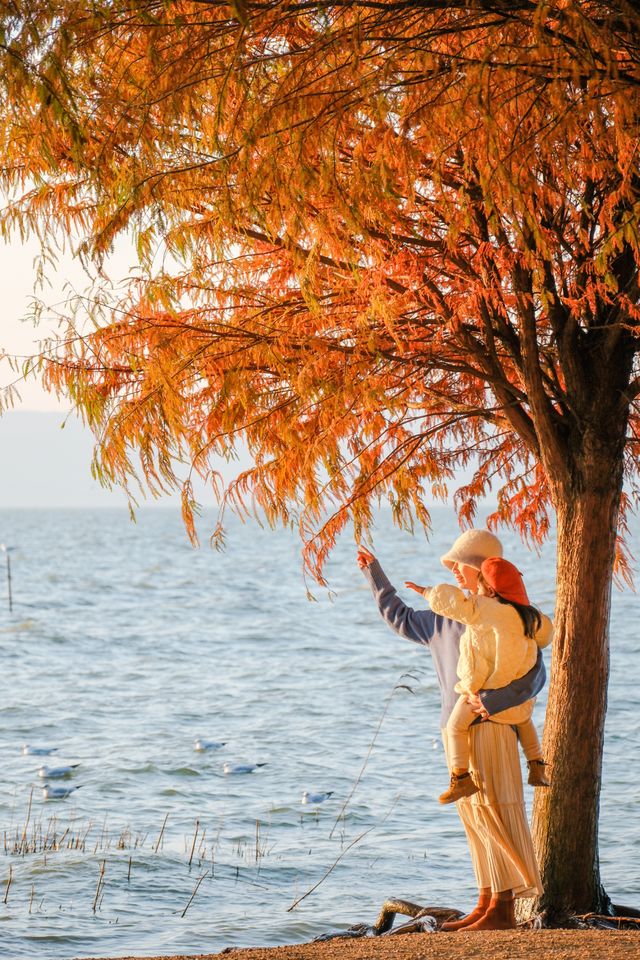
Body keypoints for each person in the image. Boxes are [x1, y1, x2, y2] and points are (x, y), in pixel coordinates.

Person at [358, 528, 548, 931]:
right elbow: (402, 618)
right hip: (455, 730)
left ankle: (503, 908)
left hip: (494, 727)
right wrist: (375, 575)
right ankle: (485, 901)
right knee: (475, 818)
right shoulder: (445, 616)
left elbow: (535, 675)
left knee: (496, 812)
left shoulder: (507, 617)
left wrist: (493, 702)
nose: (454, 573)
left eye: (460, 566)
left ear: (484, 572)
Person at [405, 556, 553, 804]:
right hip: (515, 701)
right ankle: (537, 765)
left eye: (480, 587)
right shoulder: (530, 617)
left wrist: (426, 591)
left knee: (455, 727)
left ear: (491, 590)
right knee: (525, 721)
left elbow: (453, 603)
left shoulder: (485, 609)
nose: (476, 592)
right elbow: (547, 635)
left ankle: (460, 778)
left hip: (484, 693)